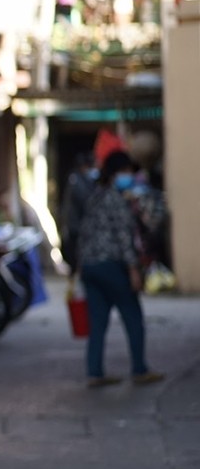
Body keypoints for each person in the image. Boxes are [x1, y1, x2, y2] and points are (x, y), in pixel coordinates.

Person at [74, 150, 163, 389]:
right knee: (132, 315)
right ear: (116, 173)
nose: (129, 176)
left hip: (90, 266)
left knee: (98, 322)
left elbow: (83, 233)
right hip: (111, 265)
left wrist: (80, 267)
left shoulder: (95, 196)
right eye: (125, 172)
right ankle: (139, 369)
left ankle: (95, 372)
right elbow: (124, 238)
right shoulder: (117, 199)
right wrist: (133, 270)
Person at [58, 152, 96, 273]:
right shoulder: (75, 180)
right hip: (75, 226)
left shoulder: (84, 180)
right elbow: (85, 200)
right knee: (75, 255)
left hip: (81, 225)